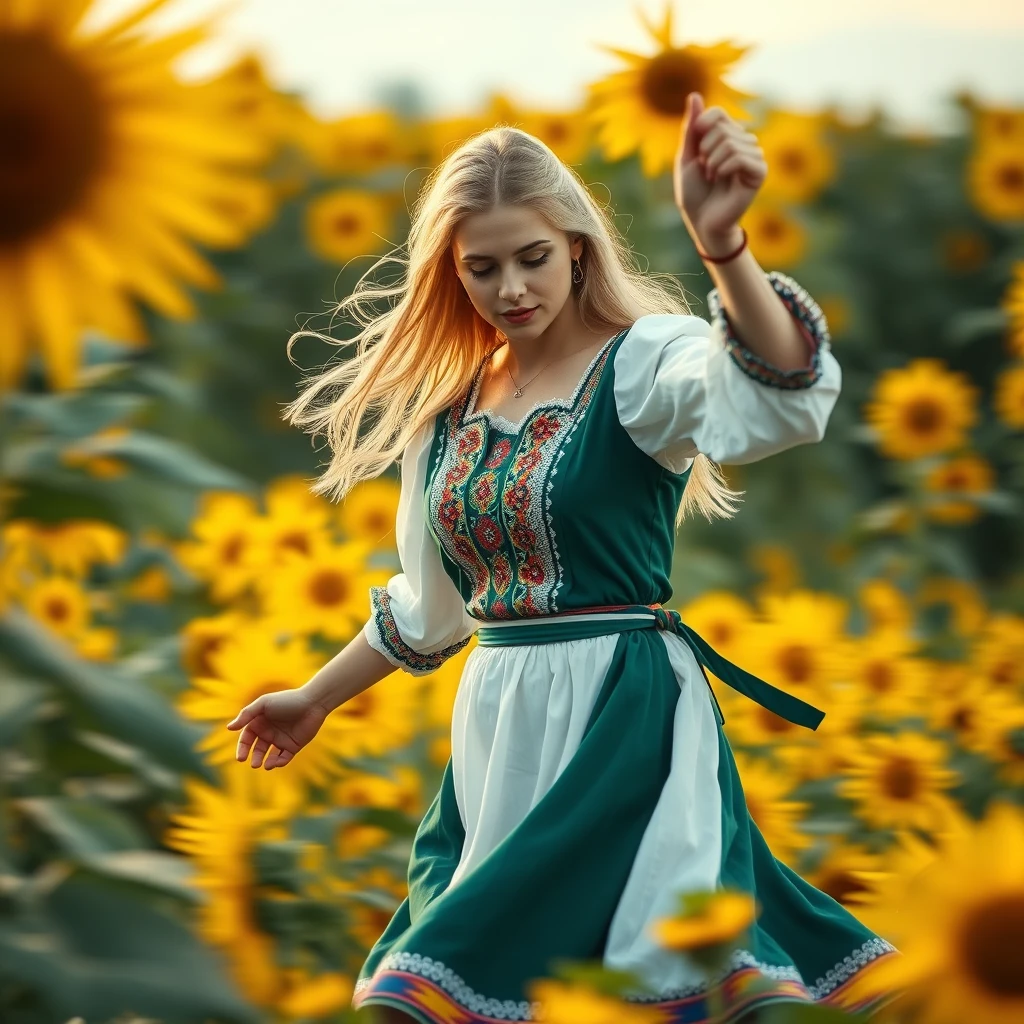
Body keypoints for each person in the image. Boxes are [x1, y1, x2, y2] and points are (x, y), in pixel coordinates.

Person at [226, 92, 899, 1024]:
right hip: (499, 736)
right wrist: (314, 699)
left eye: (533, 257)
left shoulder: (642, 361)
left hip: (625, 718)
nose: (511, 289)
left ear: (578, 245)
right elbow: (433, 610)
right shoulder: (449, 409)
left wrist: (722, 246)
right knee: (467, 986)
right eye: (483, 268)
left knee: (624, 979)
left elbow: (776, 403)